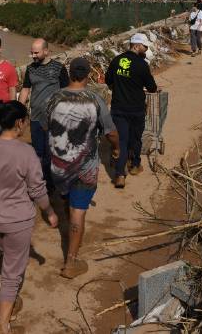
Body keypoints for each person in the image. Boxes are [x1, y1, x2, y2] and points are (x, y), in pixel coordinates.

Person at [0, 101, 58, 334]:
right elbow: (38, 190)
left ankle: (10, 303)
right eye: (26, 121)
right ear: (19, 122)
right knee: (11, 274)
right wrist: (49, 211)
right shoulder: (26, 152)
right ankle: (3, 324)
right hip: (17, 221)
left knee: (9, 258)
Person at [45, 57, 119, 277]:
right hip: (84, 168)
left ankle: (70, 235)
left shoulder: (54, 98)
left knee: (68, 202)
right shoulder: (95, 100)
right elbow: (111, 132)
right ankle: (71, 262)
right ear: (88, 75)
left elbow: (44, 125)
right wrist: (116, 149)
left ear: (69, 74)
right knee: (78, 212)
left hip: (58, 167)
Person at [104, 34, 157, 188]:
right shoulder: (142, 65)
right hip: (136, 109)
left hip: (118, 108)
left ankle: (120, 175)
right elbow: (152, 87)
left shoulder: (116, 60)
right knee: (135, 138)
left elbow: (108, 80)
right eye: (145, 46)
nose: (146, 49)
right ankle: (134, 165)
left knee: (121, 140)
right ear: (136, 46)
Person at [18, 38, 69, 193]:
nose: (33, 55)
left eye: (36, 52)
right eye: (31, 52)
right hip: (35, 118)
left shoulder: (59, 68)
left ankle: (53, 182)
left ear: (46, 51)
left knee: (52, 151)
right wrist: (19, 111)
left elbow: (66, 91)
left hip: (55, 119)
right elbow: (25, 90)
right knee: (38, 151)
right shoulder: (30, 69)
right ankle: (41, 181)